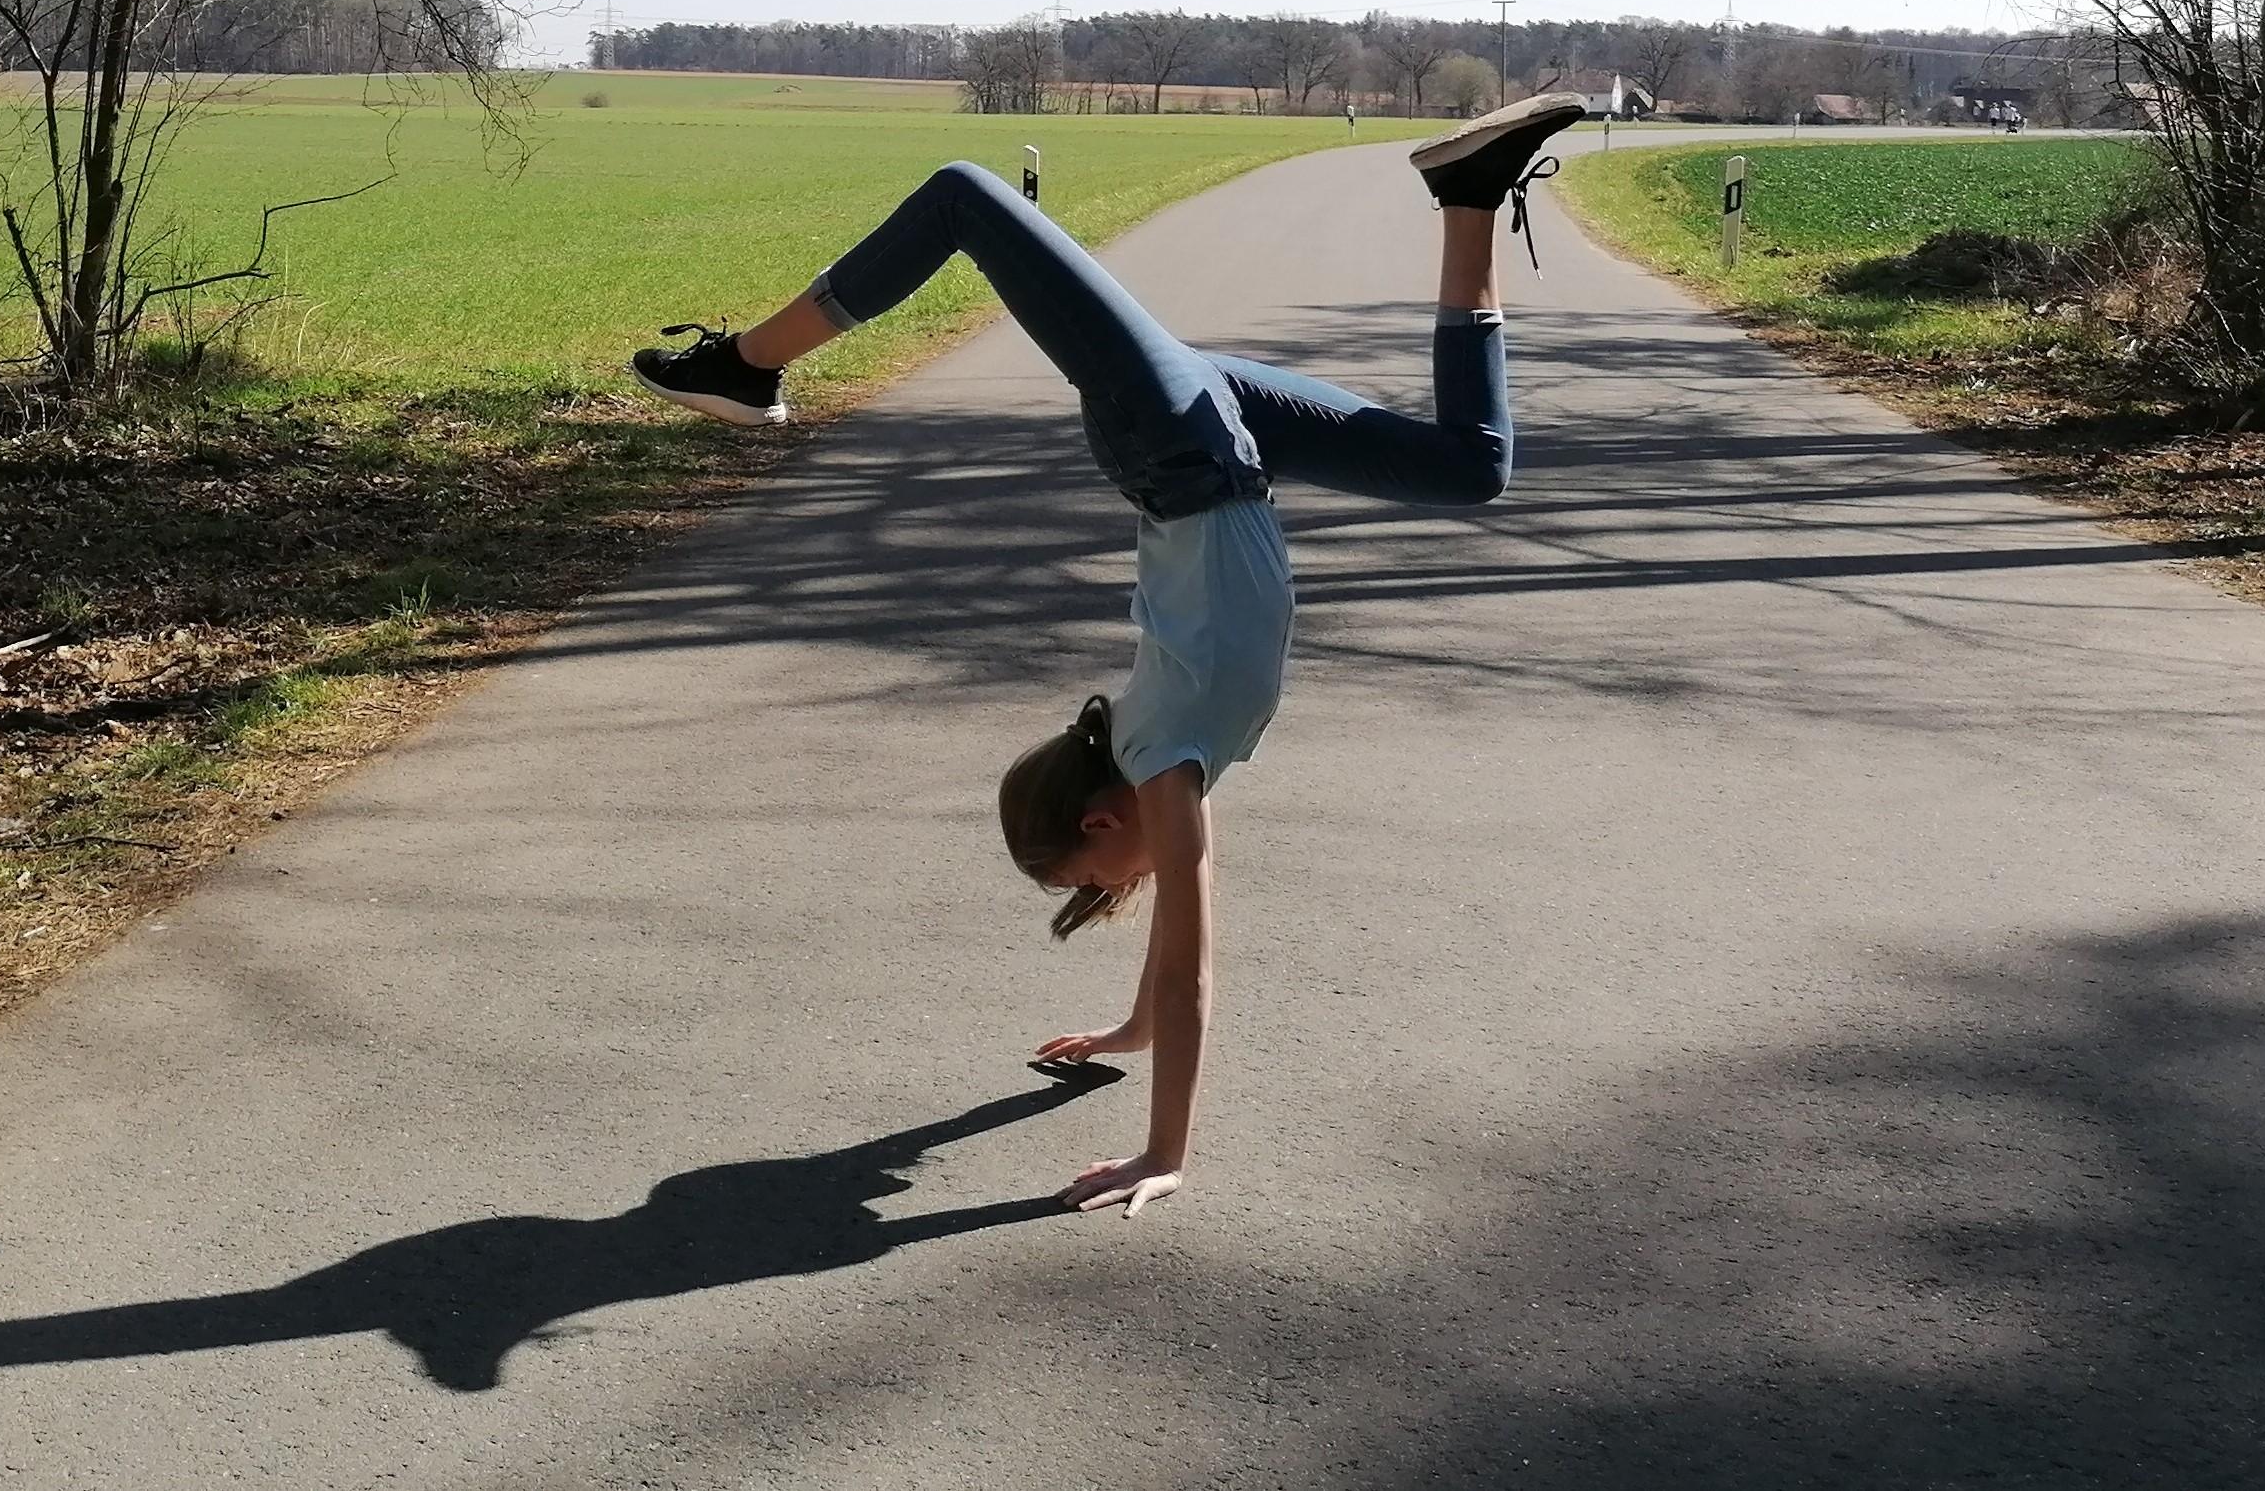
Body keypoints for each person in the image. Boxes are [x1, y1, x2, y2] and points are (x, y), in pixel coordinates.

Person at [629, 92, 1586, 1217]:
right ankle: (1467, 189)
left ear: (1098, 818)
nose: (1126, 886)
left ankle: (741, 366)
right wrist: (1127, 1030)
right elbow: (1165, 977)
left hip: (1177, 437)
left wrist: (1161, 1151)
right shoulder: (1166, 765)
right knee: (1468, 467)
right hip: (1214, 436)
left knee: (961, 197)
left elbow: (1190, 974)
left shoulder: (1165, 765)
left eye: (1100, 876)